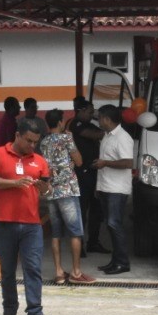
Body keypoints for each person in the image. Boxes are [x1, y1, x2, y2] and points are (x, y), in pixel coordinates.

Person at [0, 118, 58, 315]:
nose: (32, 146)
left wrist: (45, 189)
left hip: (31, 224)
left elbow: (47, 190)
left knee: (33, 269)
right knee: (7, 271)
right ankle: (9, 311)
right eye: (28, 141)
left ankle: (35, 314)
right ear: (17, 135)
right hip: (4, 222)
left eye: (36, 142)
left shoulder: (39, 161)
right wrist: (13, 183)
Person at [41, 109, 96, 285]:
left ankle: (58, 273)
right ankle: (76, 272)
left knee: (56, 233)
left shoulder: (43, 141)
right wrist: (71, 161)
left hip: (51, 191)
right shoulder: (66, 138)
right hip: (67, 190)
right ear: (59, 122)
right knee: (75, 232)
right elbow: (79, 161)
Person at [94, 104, 134, 275]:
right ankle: (115, 261)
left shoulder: (123, 138)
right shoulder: (107, 136)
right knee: (110, 225)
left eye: (100, 117)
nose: (98, 121)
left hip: (117, 189)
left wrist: (105, 163)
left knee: (114, 224)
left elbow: (128, 163)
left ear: (107, 119)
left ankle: (123, 262)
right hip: (106, 186)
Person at [70, 97, 107, 255]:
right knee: (82, 210)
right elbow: (94, 135)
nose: (93, 115)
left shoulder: (90, 124)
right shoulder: (75, 124)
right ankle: (80, 245)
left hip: (95, 173)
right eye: (91, 112)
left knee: (97, 209)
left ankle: (94, 242)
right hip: (82, 174)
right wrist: (108, 128)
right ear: (82, 111)